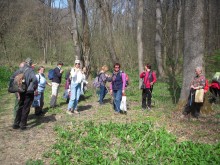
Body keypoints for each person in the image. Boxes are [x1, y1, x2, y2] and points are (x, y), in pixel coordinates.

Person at [12, 58, 38, 130]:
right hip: (29, 92)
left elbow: (13, 77)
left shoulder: (20, 69)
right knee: (26, 108)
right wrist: (34, 88)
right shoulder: (30, 70)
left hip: (21, 91)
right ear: (30, 63)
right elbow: (35, 80)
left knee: (20, 107)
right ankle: (22, 125)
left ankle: (16, 124)